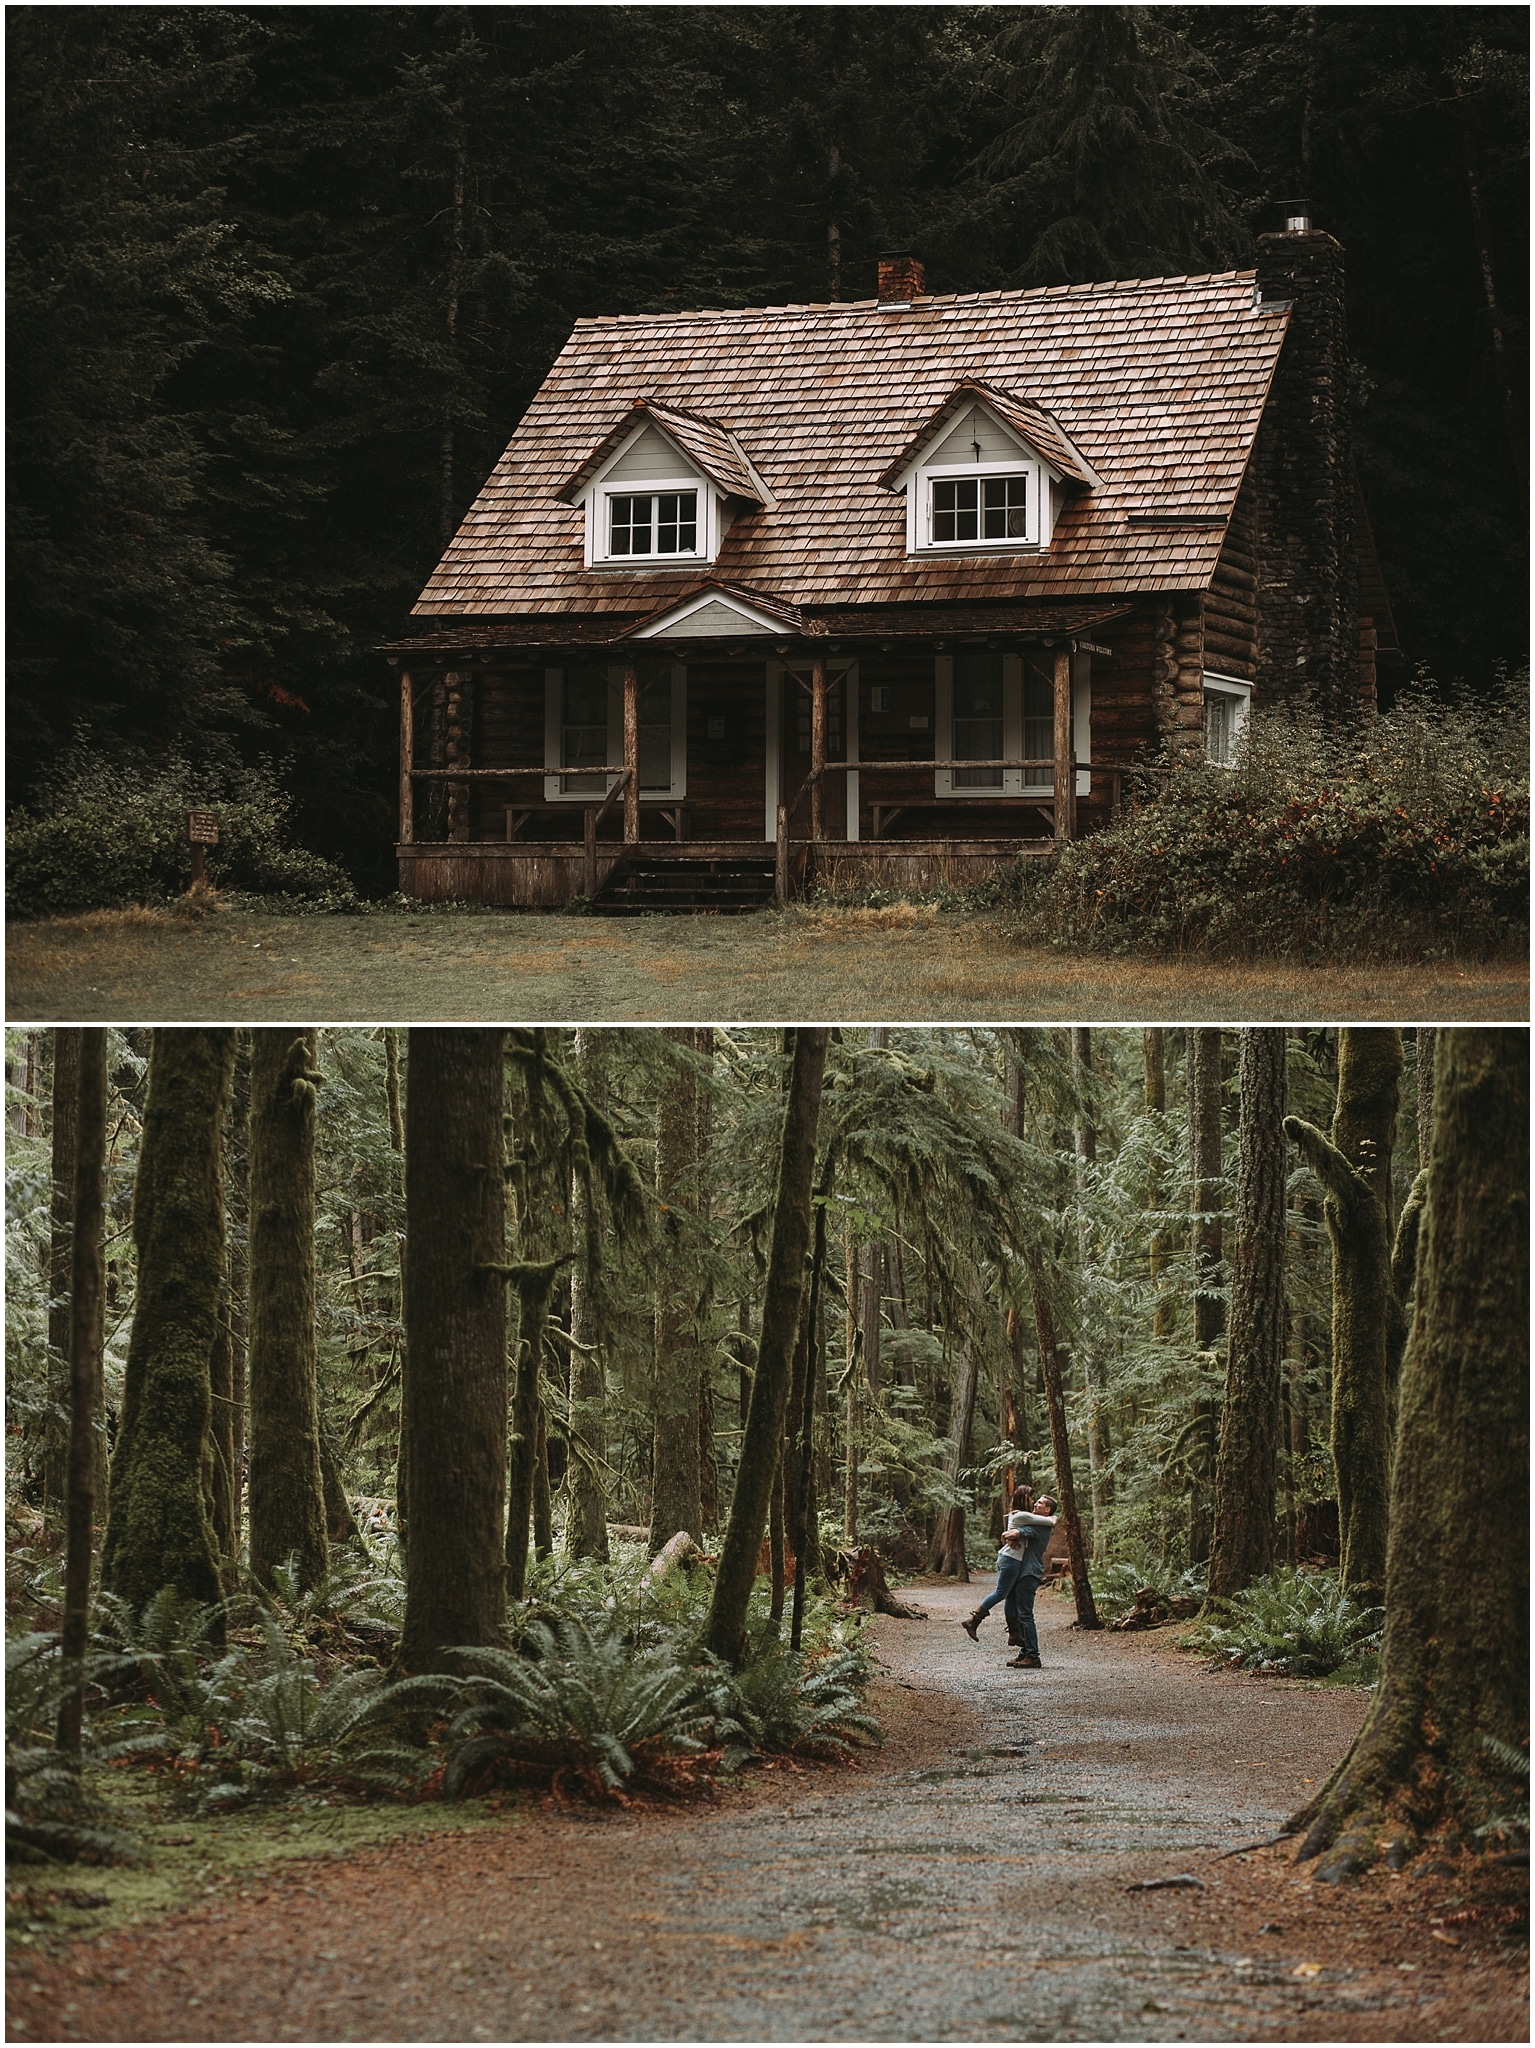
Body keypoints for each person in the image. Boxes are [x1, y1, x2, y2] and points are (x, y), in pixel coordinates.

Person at [961, 1487, 1057, 1665]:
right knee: (1015, 1605)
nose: (1036, 1503)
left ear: (1047, 1510)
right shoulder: (1033, 1520)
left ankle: (1032, 1656)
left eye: (1040, 1503)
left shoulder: (1041, 1526)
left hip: (1029, 1573)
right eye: (1035, 1500)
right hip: (1021, 1570)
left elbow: (1015, 1532)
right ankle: (1022, 1648)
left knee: (1025, 1614)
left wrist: (1010, 1534)